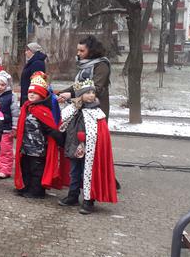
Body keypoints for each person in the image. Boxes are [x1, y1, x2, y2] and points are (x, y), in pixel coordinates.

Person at [58, 79, 117, 214]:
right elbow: (62, 124)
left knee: (88, 173)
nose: (91, 95)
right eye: (88, 92)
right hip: (74, 146)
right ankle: (73, 196)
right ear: (80, 95)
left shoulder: (97, 113)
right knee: (74, 172)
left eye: (93, 92)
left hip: (90, 149)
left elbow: (101, 134)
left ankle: (88, 200)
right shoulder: (73, 109)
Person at [14, 72, 68, 199]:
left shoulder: (43, 111)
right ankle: (26, 186)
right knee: (25, 167)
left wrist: (60, 139)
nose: (31, 94)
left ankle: (37, 191)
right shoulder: (26, 107)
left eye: (36, 93)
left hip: (38, 149)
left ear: (42, 94)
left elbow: (50, 129)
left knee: (36, 170)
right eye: (30, 92)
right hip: (26, 147)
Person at [58, 35, 112, 118]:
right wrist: (59, 93)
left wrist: (70, 94)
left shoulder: (102, 65)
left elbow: (95, 88)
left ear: (92, 51)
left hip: (96, 109)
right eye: (78, 50)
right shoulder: (85, 65)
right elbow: (79, 85)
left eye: (82, 50)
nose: (78, 53)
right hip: (82, 107)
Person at [0, 71, 19, 179]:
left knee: (5, 150)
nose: (0, 87)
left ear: (7, 85)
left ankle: (5, 169)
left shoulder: (11, 96)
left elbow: (15, 113)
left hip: (6, 127)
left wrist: (14, 127)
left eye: (3, 85)